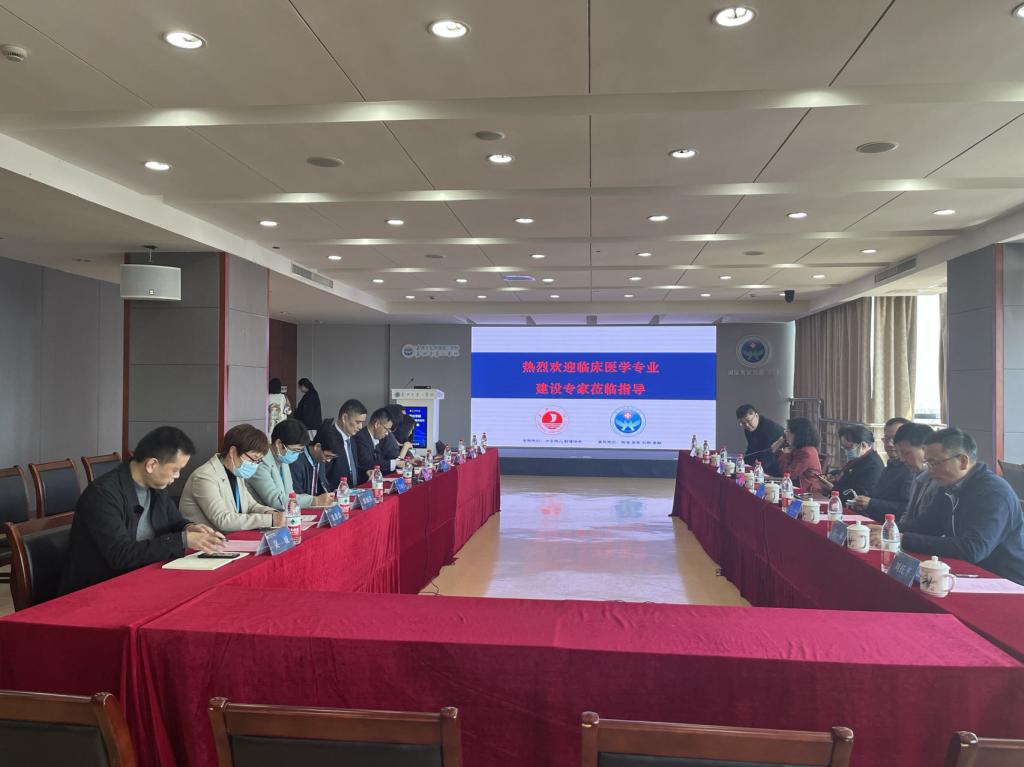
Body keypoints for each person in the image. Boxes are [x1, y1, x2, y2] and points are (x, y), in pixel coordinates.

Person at [58, 426, 224, 595]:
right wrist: (183, 540)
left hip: (145, 579)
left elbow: (175, 522)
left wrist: (189, 528)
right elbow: (120, 555)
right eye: (175, 470)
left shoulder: (157, 487)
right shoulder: (102, 494)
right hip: (98, 590)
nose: (177, 476)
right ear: (152, 465)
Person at [902, 428, 1024, 585]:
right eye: (928, 463)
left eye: (935, 463)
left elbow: (973, 549)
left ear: (963, 461)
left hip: (1004, 581)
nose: (930, 470)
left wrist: (904, 539)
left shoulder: (994, 493)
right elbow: (927, 525)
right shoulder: (949, 486)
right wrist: (890, 530)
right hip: (967, 572)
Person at [179, 424, 284, 532]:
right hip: (206, 540)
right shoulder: (204, 476)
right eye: (253, 459)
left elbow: (250, 505)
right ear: (233, 451)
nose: (254, 464)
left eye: (259, 461)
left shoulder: (235, 471)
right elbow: (222, 520)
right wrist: (269, 520)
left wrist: (271, 513)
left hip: (230, 538)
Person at [247, 418, 335, 510]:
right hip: (264, 514)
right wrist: (314, 500)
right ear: (279, 444)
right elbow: (275, 500)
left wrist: (315, 500)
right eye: (295, 450)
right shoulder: (260, 461)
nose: (297, 455)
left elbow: (291, 495)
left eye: (300, 451)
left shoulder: (283, 460)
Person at [853, 417, 914, 522]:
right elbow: (878, 496)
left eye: (895, 439)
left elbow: (906, 508)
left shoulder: (911, 469)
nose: (889, 444)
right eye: (886, 439)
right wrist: (862, 501)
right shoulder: (890, 466)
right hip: (874, 520)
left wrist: (871, 503)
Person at [819, 423, 885, 498]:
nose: (846, 452)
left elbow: (861, 495)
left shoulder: (874, 466)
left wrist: (833, 489)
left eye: (848, 448)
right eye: (844, 448)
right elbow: (848, 475)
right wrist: (834, 476)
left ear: (863, 445)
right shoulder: (859, 459)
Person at [892, 422, 936, 525]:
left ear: (925, 450)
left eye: (906, 453)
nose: (902, 459)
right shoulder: (917, 475)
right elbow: (907, 514)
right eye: (899, 453)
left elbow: (927, 524)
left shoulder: (938, 481)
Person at [354, 408, 414, 483]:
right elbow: (367, 463)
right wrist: (395, 463)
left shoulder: (377, 437)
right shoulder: (361, 438)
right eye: (386, 429)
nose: (387, 433)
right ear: (377, 424)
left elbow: (380, 461)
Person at [321, 399, 368, 489]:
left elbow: (352, 470)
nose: (360, 427)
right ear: (344, 418)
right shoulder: (328, 438)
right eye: (358, 422)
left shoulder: (352, 440)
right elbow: (323, 477)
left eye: (362, 423)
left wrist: (366, 473)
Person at [771, 417, 823, 493]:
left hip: (809, 492)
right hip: (796, 486)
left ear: (797, 434)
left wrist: (785, 454)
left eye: (788, 431)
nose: (785, 434)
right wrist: (777, 448)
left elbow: (788, 474)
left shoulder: (806, 452)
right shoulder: (801, 448)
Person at [736, 404, 784, 475]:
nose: (747, 425)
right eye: (743, 423)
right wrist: (743, 465)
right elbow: (752, 449)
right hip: (765, 461)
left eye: (749, 421)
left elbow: (769, 454)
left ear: (756, 416)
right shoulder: (748, 428)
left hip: (779, 463)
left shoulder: (769, 428)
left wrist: (756, 472)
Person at [289, 429, 339, 497]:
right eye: (327, 456)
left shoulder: (320, 457)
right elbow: (297, 494)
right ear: (317, 447)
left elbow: (323, 485)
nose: (329, 460)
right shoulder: (296, 460)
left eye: (332, 457)